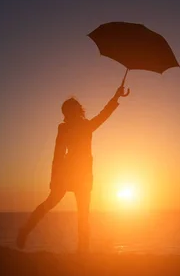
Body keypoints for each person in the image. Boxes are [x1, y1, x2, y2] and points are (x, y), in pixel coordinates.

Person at [17, 84, 127, 253]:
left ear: (78, 111)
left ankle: (82, 251)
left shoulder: (87, 126)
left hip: (83, 176)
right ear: (66, 114)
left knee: (83, 214)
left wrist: (116, 96)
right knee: (51, 204)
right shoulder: (65, 128)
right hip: (68, 174)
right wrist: (54, 178)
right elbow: (58, 154)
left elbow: (105, 114)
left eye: (73, 110)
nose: (71, 114)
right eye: (68, 111)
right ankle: (25, 231)